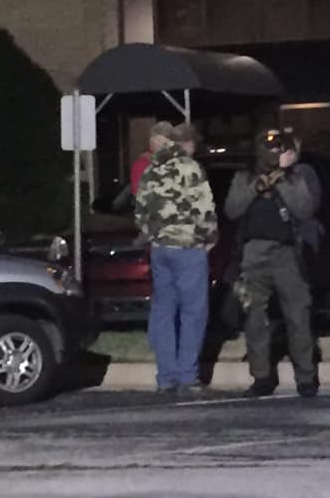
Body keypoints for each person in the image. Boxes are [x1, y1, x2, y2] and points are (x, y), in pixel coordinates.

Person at [224, 128, 319, 398]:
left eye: (279, 148)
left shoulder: (294, 177)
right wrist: (257, 187)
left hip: (285, 253)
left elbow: (304, 209)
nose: (274, 152)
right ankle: (262, 377)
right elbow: (232, 210)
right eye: (269, 147)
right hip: (253, 253)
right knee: (255, 318)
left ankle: (306, 377)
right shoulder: (244, 177)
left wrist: (284, 179)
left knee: (298, 314)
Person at [135, 121, 217, 397]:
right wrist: (208, 238)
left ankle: (165, 376)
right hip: (188, 247)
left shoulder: (151, 170)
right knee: (193, 312)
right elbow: (204, 209)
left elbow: (140, 212)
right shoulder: (189, 168)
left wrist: (154, 237)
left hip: (161, 249)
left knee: (163, 312)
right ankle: (187, 376)